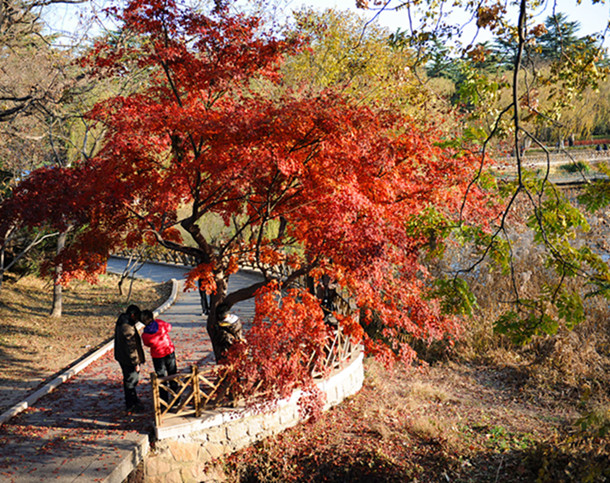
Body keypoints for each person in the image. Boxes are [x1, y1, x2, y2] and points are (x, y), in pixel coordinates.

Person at [141, 309, 178, 405]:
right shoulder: (160, 323)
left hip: (157, 356)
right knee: (172, 374)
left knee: (161, 378)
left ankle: (164, 400)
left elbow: (147, 344)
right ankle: (176, 398)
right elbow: (169, 327)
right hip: (169, 351)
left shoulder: (145, 334)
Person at [114, 304, 146, 413]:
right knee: (131, 381)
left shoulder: (122, 321)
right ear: (132, 315)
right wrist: (135, 363)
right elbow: (131, 347)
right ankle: (131, 404)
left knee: (129, 380)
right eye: (136, 317)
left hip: (122, 356)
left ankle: (133, 400)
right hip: (128, 359)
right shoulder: (127, 327)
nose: (137, 320)